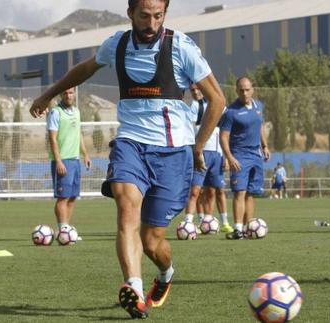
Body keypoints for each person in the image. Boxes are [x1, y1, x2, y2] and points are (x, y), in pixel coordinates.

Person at [29, 0, 225, 318]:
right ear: (130, 13)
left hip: (174, 153)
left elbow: (217, 99)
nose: (151, 23)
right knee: (125, 205)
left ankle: (165, 274)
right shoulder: (116, 45)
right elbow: (84, 69)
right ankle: (133, 287)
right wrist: (48, 94)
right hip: (131, 145)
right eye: (144, 15)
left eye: (158, 16)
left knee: (152, 242)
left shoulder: (181, 47)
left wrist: (199, 145)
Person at [219, 76, 270, 240]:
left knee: (251, 193)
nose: (244, 93)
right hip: (239, 156)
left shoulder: (258, 106)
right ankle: (238, 229)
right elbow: (223, 137)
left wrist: (265, 146)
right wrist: (229, 157)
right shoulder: (231, 112)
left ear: (252, 90)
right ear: (236, 90)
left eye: (247, 89)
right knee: (239, 192)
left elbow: (261, 126)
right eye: (241, 90)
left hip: (256, 155)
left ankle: (249, 226)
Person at [184, 84, 233, 233]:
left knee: (215, 191)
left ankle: (221, 222)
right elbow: (190, 130)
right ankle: (190, 223)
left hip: (216, 155)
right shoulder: (194, 107)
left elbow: (225, 132)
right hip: (201, 153)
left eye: (198, 89)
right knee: (196, 191)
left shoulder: (216, 104)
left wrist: (225, 155)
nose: (196, 92)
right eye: (192, 90)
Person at [46, 87, 91, 239]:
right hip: (62, 160)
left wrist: (85, 154)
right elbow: (52, 138)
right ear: (61, 95)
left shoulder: (77, 112)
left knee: (72, 197)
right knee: (62, 197)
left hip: (75, 160)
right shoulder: (55, 112)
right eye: (65, 93)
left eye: (71, 92)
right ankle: (63, 231)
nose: (68, 95)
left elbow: (78, 134)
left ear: (74, 94)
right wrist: (58, 160)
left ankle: (66, 231)